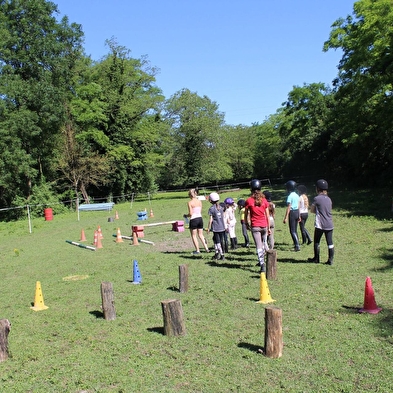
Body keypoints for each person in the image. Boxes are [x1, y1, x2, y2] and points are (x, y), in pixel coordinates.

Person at [244, 179, 271, 272]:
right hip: (264, 225)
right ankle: (266, 261)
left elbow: (246, 214)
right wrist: (268, 227)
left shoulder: (248, 201)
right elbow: (267, 215)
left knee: (258, 246)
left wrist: (246, 223)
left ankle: (262, 264)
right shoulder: (264, 200)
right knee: (264, 244)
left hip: (255, 226)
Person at [308, 179, 334, 265]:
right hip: (329, 223)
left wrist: (316, 211)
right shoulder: (329, 199)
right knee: (330, 242)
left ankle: (316, 258)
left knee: (316, 241)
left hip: (320, 224)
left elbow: (312, 210)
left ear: (318, 189)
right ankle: (330, 260)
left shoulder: (317, 198)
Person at [187, 188, 209, 255]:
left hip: (193, 219)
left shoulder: (190, 202)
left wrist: (186, 215)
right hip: (200, 218)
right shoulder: (199, 201)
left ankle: (197, 250)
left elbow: (191, 213)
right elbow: (200, 210)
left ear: (190, 195)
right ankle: (206, 248)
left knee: (194, 235)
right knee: (201, 234)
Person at [207, 192, 226, 260]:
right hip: (222, 227)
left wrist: (208, 228)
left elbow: (211, 220)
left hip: (216, 228)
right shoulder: (221, 207)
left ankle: (222, 255)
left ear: (211, 200)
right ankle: (216, 253)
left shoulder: (211, 209)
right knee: (216, 240)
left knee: (217, 242)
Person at [283, 180, 300, 251]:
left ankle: (297, 245)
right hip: (297, 212)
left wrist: (286, 217)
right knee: (295, 230)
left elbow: (289, 207)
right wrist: (299, 215)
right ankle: (297, 243)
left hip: (292, 213)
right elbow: (299, 205)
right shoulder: (297, 195)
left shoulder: (290, 196)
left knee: (292, 231)